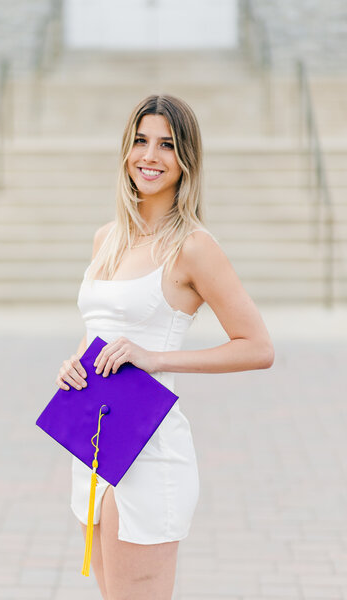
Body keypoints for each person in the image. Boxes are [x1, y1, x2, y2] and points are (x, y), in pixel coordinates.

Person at [55, 94, 275, 600]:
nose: (149, 156)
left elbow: (257, 346)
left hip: (150, 451)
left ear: (186, 160)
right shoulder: (106, 239)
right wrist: (76, 362)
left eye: (167, 145)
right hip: (93, 441)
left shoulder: (194, 247)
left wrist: (154, 359)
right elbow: (102, 330)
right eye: (140, 141)